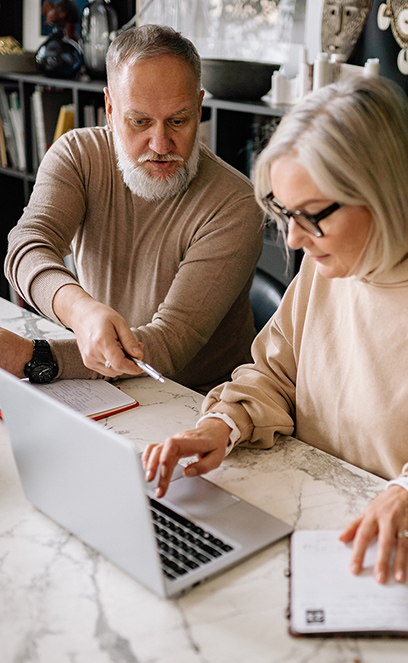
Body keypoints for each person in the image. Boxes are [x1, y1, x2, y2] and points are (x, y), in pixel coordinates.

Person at [141, 76, 408, 583]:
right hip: (309, 521)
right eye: (283, 212)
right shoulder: (328, 267)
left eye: (312, 216)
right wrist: (221, 425)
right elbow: (275, 376)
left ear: (381, 195)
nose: (295, 239)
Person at [2, 25, 263, 393]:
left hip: (197, 401)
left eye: (179, 120)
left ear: (199, 108)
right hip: (99, 380)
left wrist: (35, 356)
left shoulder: (235, 204)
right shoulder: (78, 156)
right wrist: (81, 312)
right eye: (139, 121)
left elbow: (170, 343)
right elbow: (27, 246)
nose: (160, 144)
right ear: (109, 109)